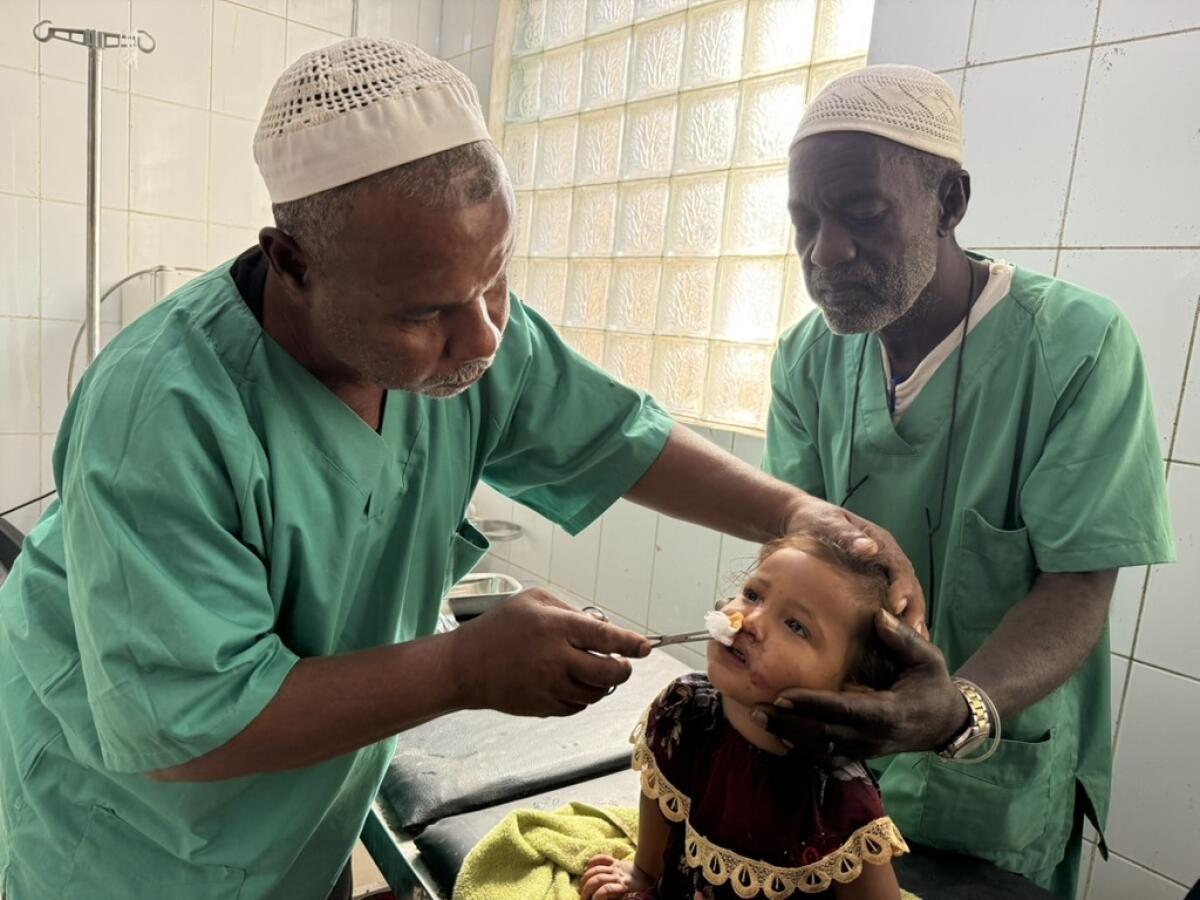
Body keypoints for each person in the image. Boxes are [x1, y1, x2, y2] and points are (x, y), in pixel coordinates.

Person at [0, 41, 923, 900]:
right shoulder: (165, 412)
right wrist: (461, 668)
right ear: (292, 264)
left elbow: (617, 440)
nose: (483, 337)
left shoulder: (474, 333)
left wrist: (806, 517)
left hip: (301, 821)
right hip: (131, 843)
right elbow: (184, 721)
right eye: (426, 312)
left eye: (497, 280)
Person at [757, 65, 1175, 898]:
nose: (823, 251)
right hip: (834, 778)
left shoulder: (1076, 347)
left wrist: (959, 710)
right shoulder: (808, 358)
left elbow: (1078, 586)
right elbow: (799, 558)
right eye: (804, 221)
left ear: (949, 200)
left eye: (863, 213)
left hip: (992, 786)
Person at [580, 534, 909, 900]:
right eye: (753, 595)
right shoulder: (685, 708)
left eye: (795, 625)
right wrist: (645, 872)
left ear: (849, 693)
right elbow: (661, 794)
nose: (747, 620)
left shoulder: (835, 794)